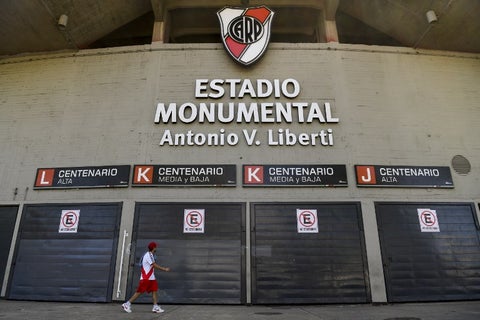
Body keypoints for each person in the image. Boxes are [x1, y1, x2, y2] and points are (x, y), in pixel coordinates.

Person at [122, 241, 170, 313]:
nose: (156, 248)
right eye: (155, 247)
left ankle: (155, 307)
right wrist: (164, 269)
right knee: (139, 292)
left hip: (151, 278)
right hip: (146, 278)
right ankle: (127, 304)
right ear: (154, 248)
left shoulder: (151, 255)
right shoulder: (149, 255)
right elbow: (153, 265)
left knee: (154, 290)